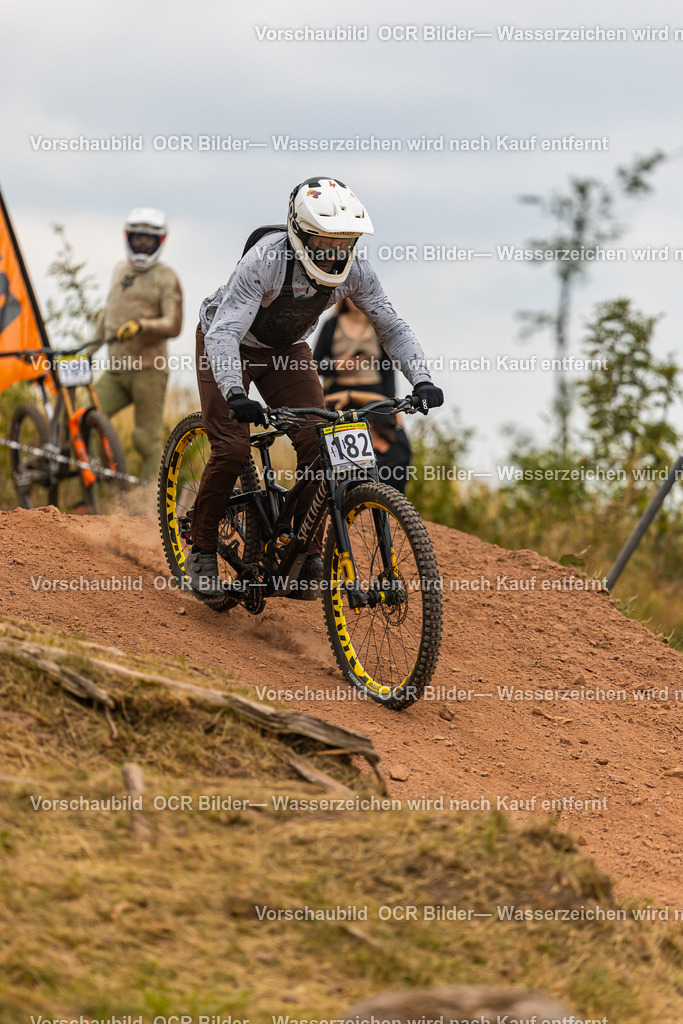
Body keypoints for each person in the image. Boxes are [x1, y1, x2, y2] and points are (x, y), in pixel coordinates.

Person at [186, 176, 443, 598]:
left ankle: (299, 547)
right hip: (226, 341)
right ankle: (202, 545)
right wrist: (234, 392)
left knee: (322, 445)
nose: (336, 252)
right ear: (301, 233)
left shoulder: (355, 270)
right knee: (232, 447)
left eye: (345, 242)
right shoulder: (265, 261)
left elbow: (390, 325)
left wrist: (423, 379)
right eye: (326, 241)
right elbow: (224, 332)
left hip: (285, 350)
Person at [94, 207, 183, 486]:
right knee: (87, 415)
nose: (143, 244)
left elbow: (174, 324)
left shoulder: (166, 276)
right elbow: (107, 314)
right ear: (128, 237)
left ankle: (151, 508)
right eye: (138, 238)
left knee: (146, 439)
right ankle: (102, 487)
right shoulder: (120, 268)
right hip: (115, 370)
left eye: (149, 239)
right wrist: (85, 352)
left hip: (149, 370)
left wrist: (143, 325)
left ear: (160, 240)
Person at [313, 297, 412, 493]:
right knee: (346, 460)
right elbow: (313, 364)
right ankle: (348, 501)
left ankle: (389, 502)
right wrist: (336, 366)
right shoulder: (331, 325)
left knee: (397, 450)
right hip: (339, 399)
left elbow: (387, 371)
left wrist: (392, 405)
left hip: (373, 400)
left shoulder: (378, 326)